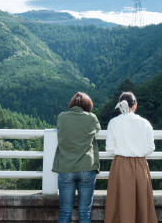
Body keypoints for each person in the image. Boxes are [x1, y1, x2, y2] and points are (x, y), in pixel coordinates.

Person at [104, 91, 157, 223]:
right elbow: (151, 148)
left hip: (120, 164)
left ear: (121, 106)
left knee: (119, 202)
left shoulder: (113, 122)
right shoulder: (145, 123)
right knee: (142, 203)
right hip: (140, 164)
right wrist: (137, 150)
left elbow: (109, 148)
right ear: (135, 105)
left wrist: (124, 149)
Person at [53, 91, 101, 223]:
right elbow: (98, 129)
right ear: (88, 105)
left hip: (66, 168)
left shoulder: (61, 117)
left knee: (65, 213)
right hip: (87, 167)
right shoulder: (91, 118)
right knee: (85, 212)